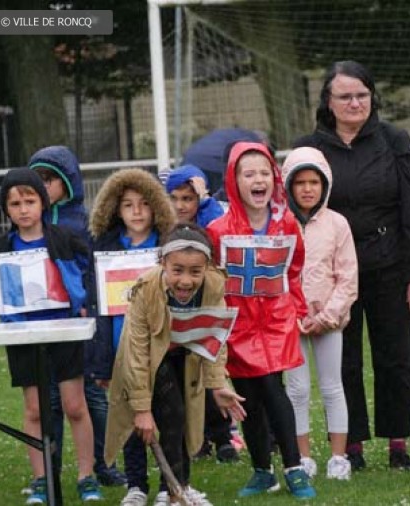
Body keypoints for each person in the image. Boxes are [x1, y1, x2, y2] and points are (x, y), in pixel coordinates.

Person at [293, 60, 410, 470]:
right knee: (343, 360)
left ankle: (397, 444)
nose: (355, 103)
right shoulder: (310, 148)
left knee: (395, 355)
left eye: (362, 95)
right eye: (345, 96)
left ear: (372, 98)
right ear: (329, 102)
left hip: (389, 264)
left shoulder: (394, 140)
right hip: (334, 276)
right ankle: (349, 447)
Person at [103, 223, 246, 506]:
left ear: (207, 267)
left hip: (182, 357)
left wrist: (217, 384)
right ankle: (136, 487)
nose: (185, 280)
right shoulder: (146, 289)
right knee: (137, 422)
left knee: (179, 418)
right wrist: (142, 408)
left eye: (195, 271)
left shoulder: (214, 286)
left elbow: (214, 340)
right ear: (162, 264)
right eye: (177, 270)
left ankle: (174, 489)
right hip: (140, 360)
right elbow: (137, 354)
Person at [206, 141, 316, 499]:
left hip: (275, 320)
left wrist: (297, 308)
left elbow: (294, 269)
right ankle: (262, 471)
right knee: (247, 399)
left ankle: (294, 468)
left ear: (275, 178)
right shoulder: (219, 229)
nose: (257, 180)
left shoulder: (286, 224)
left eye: (264, 172)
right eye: (248, 173)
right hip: (237, 325)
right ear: (234, 180)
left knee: (274, 390)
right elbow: (213, 279)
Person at [0, 168, 102, 503]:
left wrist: (84, 305)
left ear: (42, 202)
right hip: (24, 334)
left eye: (29, 201)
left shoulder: (64, 238)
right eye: (15, 203)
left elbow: (88, 273)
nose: (23, 209)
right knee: (34, 410)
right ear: (7, 209)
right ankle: (41, 480)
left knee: (74, 405)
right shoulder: (3, 245)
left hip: (65, 331)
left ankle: (87, 475)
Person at [29, 145, 127, 487]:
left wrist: (90, 307)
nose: (43, 188)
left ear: (67, 182)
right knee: (50, 400)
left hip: (82, 324)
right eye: (37, 180)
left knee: (91, 396)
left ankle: (104, 463)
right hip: (46, 323)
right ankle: (50, 471)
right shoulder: (31, 224)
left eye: (50, 180)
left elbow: (96, 270)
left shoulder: (85, 223)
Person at [87, 167, 177, 506]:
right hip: (118, 347)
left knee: (167, 418)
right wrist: (100, 364)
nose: (136, 212)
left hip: (163, 348)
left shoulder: (167, 246)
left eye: (143, 203)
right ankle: (136, 485)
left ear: (156, 205)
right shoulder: (103, 248)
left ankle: (170, 485)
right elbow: (97, 307)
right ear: (114, 208)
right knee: (128, 420)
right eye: (127, 205)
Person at [281, 147, 358, 480]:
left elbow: (348, 277)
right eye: (300, 182)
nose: (308, 189)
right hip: (288, 321)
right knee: (296, 390)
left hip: (329, 321)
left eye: (314, 181)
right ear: (288, 186)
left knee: (332, 386)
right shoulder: (279, 224)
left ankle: (339, 457)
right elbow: (276, 274)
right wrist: (295, 315)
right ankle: (303, 456)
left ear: (325, 184)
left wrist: (326, 315)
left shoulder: (337, 223)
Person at [165, 164, 239, 464]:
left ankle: (223, 435)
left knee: (209, 367)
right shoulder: (165, 225)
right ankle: (196, 439)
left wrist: (206, 200)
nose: (181, 205)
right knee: (180, 376)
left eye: (188, 198)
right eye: (175, 198)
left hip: (206, 303)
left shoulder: (209, 218)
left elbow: (218, 226)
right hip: (175, 307)